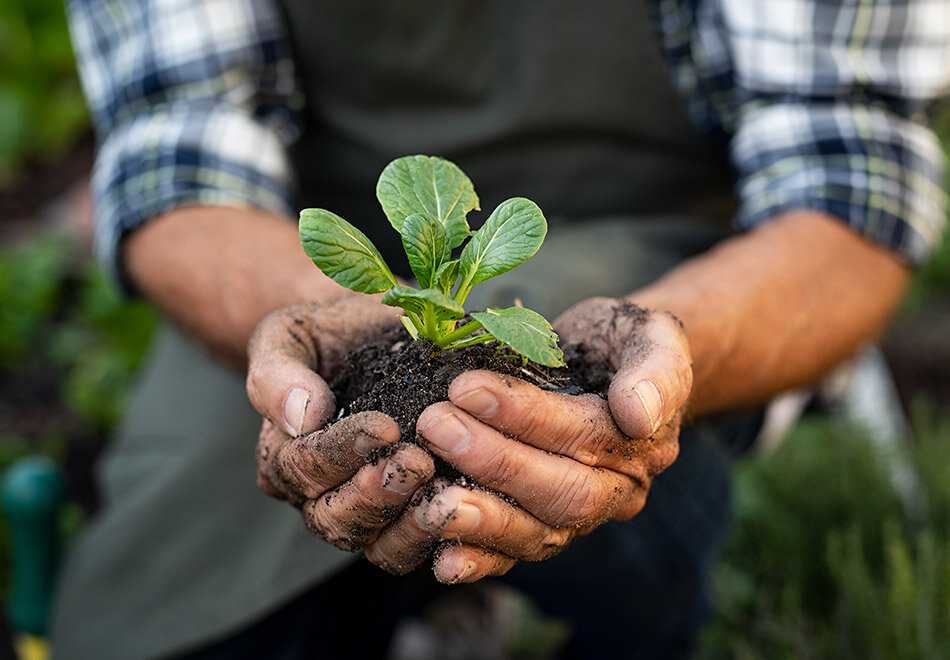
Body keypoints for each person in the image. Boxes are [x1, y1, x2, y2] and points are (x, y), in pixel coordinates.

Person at [55, 1, 948, 659]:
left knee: (625, 527)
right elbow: (175, 150)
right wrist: (315, 326)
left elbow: (846, 182)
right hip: (300, 268)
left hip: (676, 256)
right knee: (176, 592)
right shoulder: (321, 301)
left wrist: (672, 353)